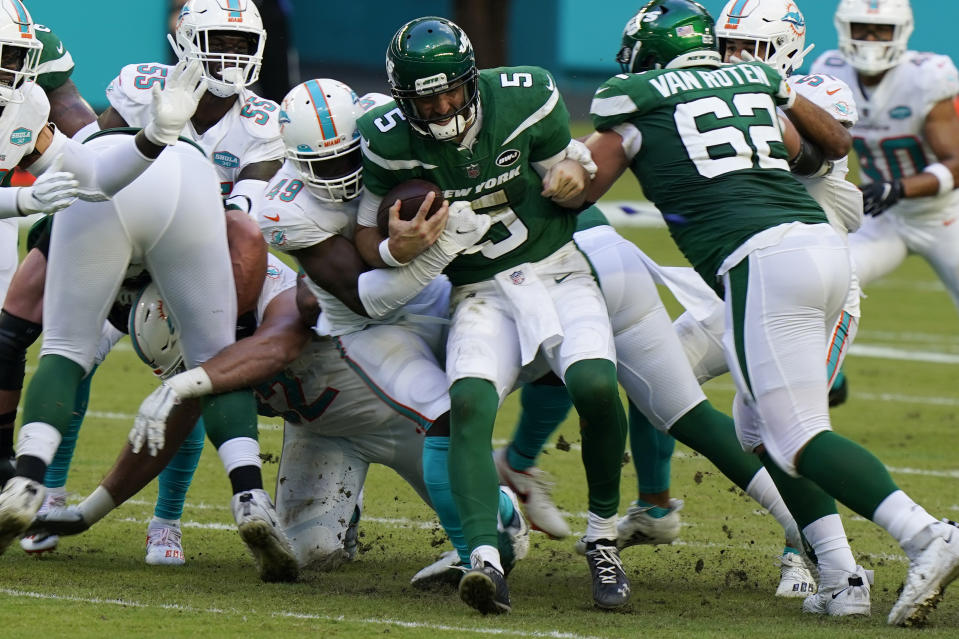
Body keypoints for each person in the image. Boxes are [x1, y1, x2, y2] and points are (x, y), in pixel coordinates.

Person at [585, 0, 959, 626]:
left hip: (798, 272)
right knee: (666, 384)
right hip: (740, 278)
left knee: (787, 431)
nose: (734, 59)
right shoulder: (736, 89)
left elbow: (797, 146)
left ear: (783, 49)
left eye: (749, 50)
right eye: (726, 46)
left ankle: (886, 544)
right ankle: (823, 568)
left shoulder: (818, 92)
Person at [33, 237, 529, 579]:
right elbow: (176, 420)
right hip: (320, 430)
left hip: (387, 404)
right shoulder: (196, 333)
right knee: (311, 553)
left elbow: (277, 348)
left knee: (484, 522)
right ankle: (348, 508)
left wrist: (192, 378)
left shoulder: (270, 288)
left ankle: (502, 515)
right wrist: (87, 513)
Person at [356, 17, 631, 613]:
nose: (442, 105)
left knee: (595, 384)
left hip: (556, 266)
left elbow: (576, 173)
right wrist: (392, 248)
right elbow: (363, 237)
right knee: (470, 402)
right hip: (479, 289)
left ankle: (603, 538)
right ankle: (484, 558)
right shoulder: (384, 139)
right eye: (425, 97)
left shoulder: (527, 94)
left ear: (472, 78)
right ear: (403, 97)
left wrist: (572, 177)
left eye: (452, 90)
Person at [15, 0, 286, 562]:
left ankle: (157, 517)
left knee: (179, 365)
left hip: (170, 258)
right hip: (149, 249)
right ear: (187, 39)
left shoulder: (264, 121)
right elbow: (95, 159)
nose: (231, 56)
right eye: (217, 41)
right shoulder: (141, 85)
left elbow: (245, 215)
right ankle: (53, 494)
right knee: (141, 355)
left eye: (242, 45)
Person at [258, 77, 497, 574]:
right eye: (325, 164)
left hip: (439, 304)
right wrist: (442, 246)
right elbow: (363, 298)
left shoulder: (388, 128)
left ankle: (498, 529)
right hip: (364, 332)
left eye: (350, 157)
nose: (344, 174)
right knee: (309, 554)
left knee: (458, 406)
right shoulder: (285, 205)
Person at [810, 2, 959, 338]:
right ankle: (823, 370)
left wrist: (898, 188)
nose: (872, 38)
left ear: (901, 32)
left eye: (882, 30)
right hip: (884, 215)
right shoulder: (830, 72)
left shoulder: (926, 76)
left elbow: (957, 162)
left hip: (946, 214)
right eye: (862, 27)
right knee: (824, 282)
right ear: (844, 29)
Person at [0, 16, 99, 487]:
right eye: (3, 57)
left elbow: (80, 168)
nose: (12, 70)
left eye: (17, 58)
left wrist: (150, 152)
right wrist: (24, 199)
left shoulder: (28, 103)